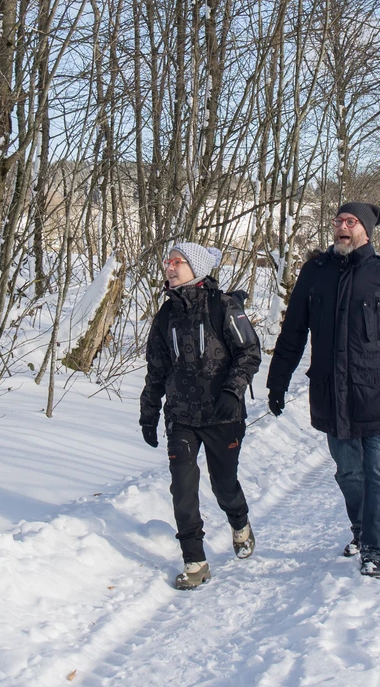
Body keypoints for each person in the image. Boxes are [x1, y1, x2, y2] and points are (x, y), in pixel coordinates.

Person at [265, 202, 380, 579]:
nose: (342, 227)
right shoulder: (314, 273)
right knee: (348, 472)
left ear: (366, 231)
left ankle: (374, 549)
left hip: (375, 390)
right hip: (330, 392)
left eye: (351, 222)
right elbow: (294, 332)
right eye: (338, 221)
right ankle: (362, 530)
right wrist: (277, 381)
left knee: (377, 470)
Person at [140, 241, 261, 590]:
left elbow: (249, 352)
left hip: (223, 414)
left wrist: (231, 391)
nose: (170, 266)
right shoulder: (166, 316)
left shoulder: (223, 307)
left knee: (224, 485)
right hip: (181, 416)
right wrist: (148, 413)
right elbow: (156, 369)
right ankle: (195, 561)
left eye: (178, 261)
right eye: (168, 260)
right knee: (183, 487)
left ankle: (239, 522)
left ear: (197, 268)